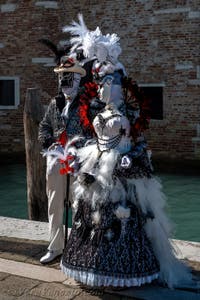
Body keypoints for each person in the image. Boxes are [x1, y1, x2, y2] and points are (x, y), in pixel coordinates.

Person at [56, 15, 195, 288]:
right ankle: (95, 268)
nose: (105, 88)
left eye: (110, 84)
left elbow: (137, 136)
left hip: (123, 166)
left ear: (119, 86)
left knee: (126, 215)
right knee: (92, 215)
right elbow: (85, 131)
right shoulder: (94, 108)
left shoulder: (129, 111)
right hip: (97, 165)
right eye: (103, 84)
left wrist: (134, 158)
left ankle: (129, 269)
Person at [38, 55, 104, 264]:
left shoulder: (90, 105)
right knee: (54, 204)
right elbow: (44, 127)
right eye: (62, 77)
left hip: (79, 163)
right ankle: (55, 247)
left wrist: (81, 149)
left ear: (78, 80)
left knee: (80, 206)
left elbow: (98, 131)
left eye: (70, 77)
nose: (65, 81)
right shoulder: (55, 103)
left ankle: (79, 248)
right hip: (57, 160)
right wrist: (49, 142)